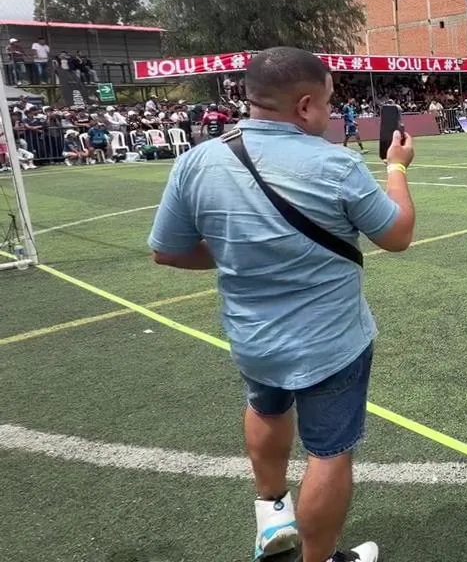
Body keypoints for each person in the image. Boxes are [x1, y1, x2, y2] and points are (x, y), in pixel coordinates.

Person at [148, 47, 416, 562]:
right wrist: (397, 168)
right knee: (329, 454)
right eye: (329, 103)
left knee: (265, 406)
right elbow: (398, 234)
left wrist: (242, 252)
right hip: (330, 343)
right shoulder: (336, 164)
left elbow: (168, 251)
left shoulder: (197, 161)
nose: (330, 113)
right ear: (305, 105)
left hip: (252, 337)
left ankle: (272, 516)